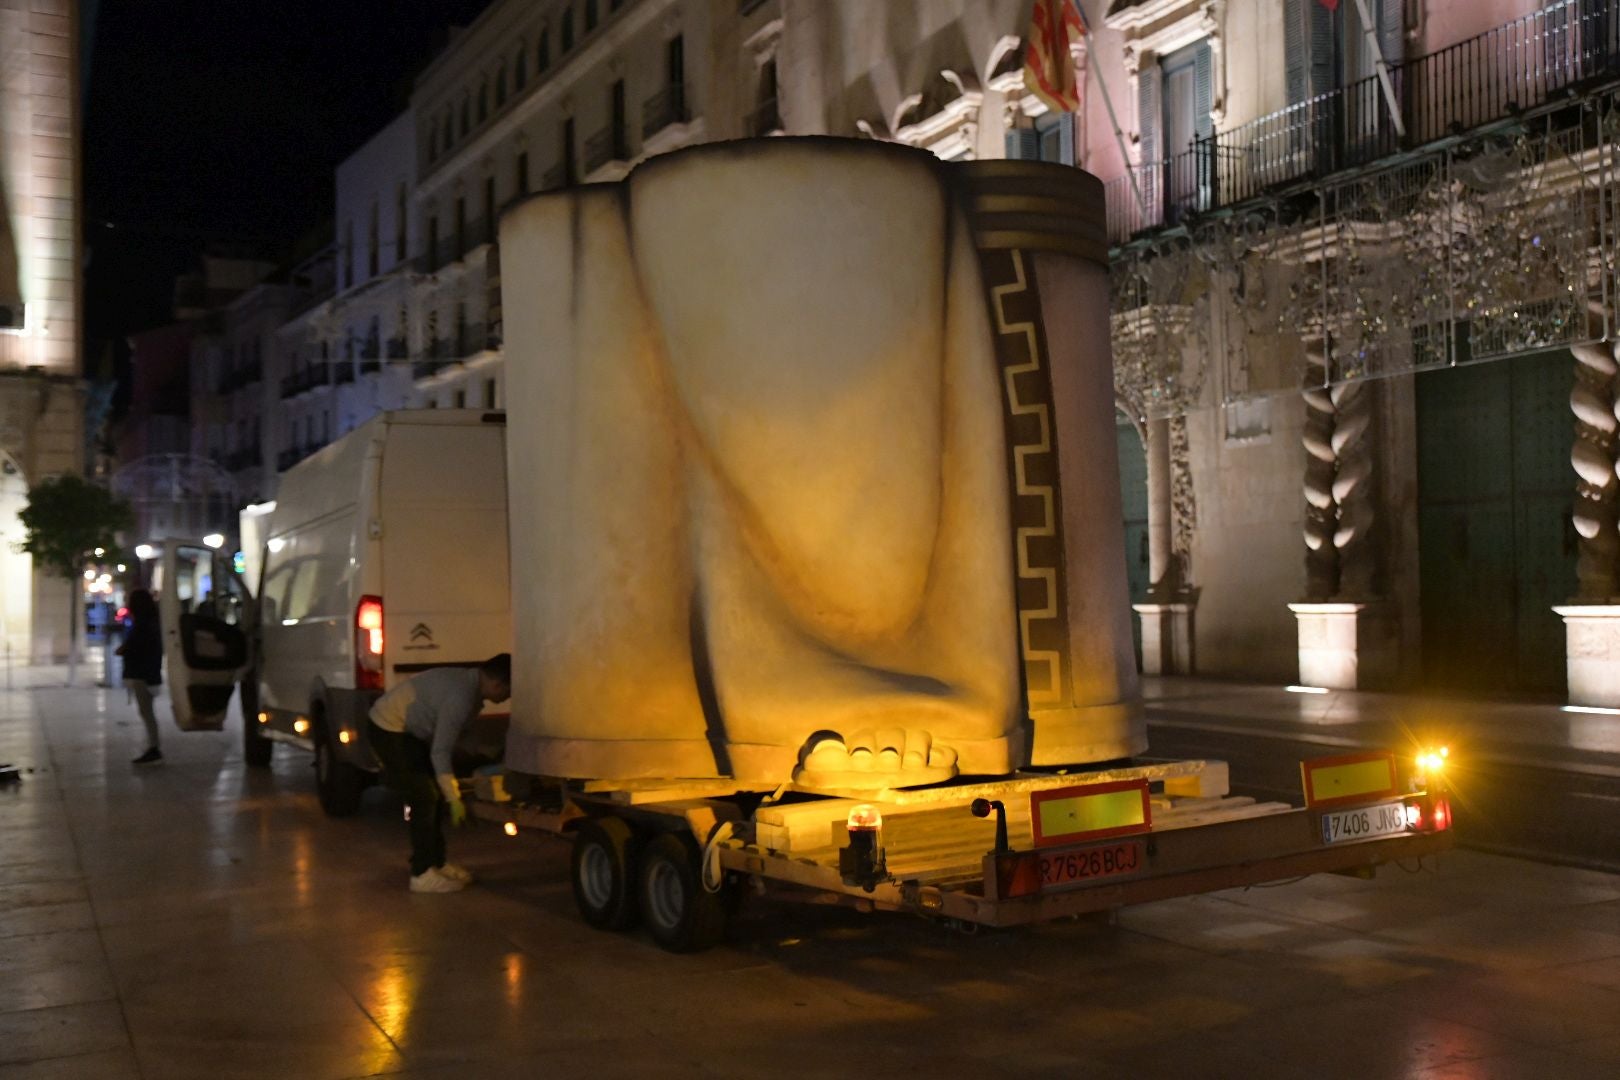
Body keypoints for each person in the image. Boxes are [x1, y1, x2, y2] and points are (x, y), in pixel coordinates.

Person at [367, 653, 512, 893]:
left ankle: (437, 863)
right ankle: (422, 873)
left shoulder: (471, 687)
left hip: (405, 731)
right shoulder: (462, 697)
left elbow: (458, 733)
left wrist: (482, 752)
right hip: (388, 729)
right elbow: (440, 752)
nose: (508, 697)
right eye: (508, 691)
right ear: (497, 684)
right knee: (424, 796)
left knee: (431, 794)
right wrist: (454, 798)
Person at [117, 590, 164, 765]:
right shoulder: (149, 623)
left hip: (142, 675)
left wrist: (124, 650)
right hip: (147, 674)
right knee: (147, 712)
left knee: (147, 712)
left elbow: (137, 648)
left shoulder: (142, 625)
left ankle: (154, 747)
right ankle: (153, 746)